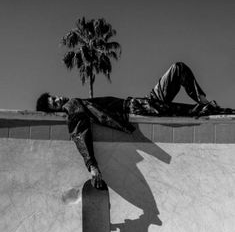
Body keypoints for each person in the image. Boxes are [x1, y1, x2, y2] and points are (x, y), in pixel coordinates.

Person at [36, 61, 219, 188]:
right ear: (55, 111)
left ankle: (204, 102)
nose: (58, 99)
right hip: (136, 108)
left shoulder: (76, 103)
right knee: (188, 110)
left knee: (178, 69)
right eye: (54, 103)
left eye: (54, 97)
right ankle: (208, 108)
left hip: (141, 103)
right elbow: (79, 132)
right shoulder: (72, 106)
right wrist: (92, 165)